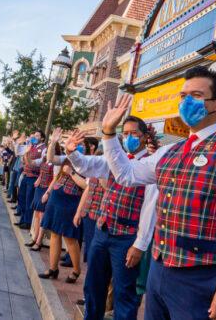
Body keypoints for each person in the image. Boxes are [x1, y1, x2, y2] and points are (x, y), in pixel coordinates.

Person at [91, 66, 216, 320]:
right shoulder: (169, 152)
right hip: (159, 268)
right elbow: (126, 174)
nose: (186, 102)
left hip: (199, 276)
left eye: (195, 95)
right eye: (183, 96)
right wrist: (108, 134)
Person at [67, 116, 159, 320]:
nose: (128, 138)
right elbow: (85, 165)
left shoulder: (150, 164)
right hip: (103, 231)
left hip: (128, 238)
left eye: (133, 134)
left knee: (124, 295)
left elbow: (150, 208)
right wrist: (72, 152)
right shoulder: (116, 158)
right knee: (93, 287)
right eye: (124, 134)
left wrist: (140, 244)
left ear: (144, 137)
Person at [39, 158, 86, 284]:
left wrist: (71, 172)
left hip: (70, 203)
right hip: (55, 200)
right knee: (54, 234)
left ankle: (76, 270)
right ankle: (53, 269)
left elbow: (87, 186)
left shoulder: (86, 163)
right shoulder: (66, 159)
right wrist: (48, 193)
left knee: (69, 238)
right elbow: (57, 176)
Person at [15, 131, 46, 230]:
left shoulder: (44, 149)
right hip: (26, 175)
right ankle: (22, 220)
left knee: (29, 200)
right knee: (22, 198)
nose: (34, 137)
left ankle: (27, 222)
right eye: (34, 135)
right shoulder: (31, 146)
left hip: (34, 177)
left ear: (42, 138)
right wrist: (18, 142)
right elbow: (18, 152)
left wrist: (27, 156)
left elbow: (37, 163)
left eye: (37, 136)